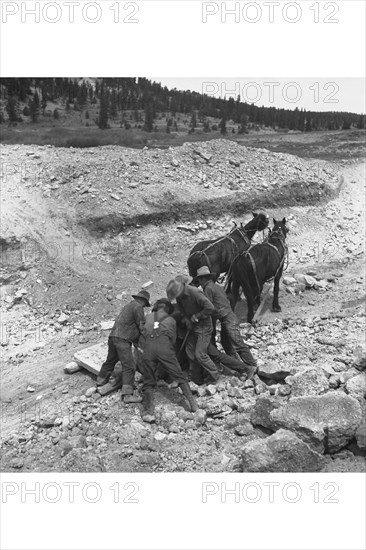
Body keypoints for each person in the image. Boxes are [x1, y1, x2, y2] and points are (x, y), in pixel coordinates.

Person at [140, 298, 198, 423]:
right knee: (178, 375)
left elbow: (143, 332)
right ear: (168, 309)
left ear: (157, 307)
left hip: (148, 347)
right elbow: (173, 339)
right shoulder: (171, 320)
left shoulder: (148, 316)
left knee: (148, 380)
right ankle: (193, 404)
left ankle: (148, 410)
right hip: (164, 346)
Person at [194, 266, 257, 379]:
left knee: (237, 343)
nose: (199, 282)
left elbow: (209, 307)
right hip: (228, 317)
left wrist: (198, 316)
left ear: (202, 279)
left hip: (227, 319)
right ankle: (241, 367)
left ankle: (251, 366)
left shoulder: (208, 289)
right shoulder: (217, 286)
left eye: (199, 280)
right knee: (227, 343)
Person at [97, 290, 150, 403]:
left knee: (110, 361)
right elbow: (141, 325)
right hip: (123, 339)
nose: (145, 306)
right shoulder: (138, 307)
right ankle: (127, 394)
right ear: (143, 301)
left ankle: (100, 381)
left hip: (113, 336)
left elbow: (129, 325)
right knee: (129, 366)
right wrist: (147, 338)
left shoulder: (128, 306)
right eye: (145, 304)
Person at [166, 278, 220, 383]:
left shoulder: (194, 292)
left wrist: (197, 316)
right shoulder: (180, 297)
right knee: (189, 351)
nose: (177, 298)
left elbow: (210, 308)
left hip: (205, 326)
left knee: (200, 354)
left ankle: (215, 376)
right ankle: (196, 378)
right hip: (193, 326)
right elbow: (182, 311)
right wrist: (186, 319)